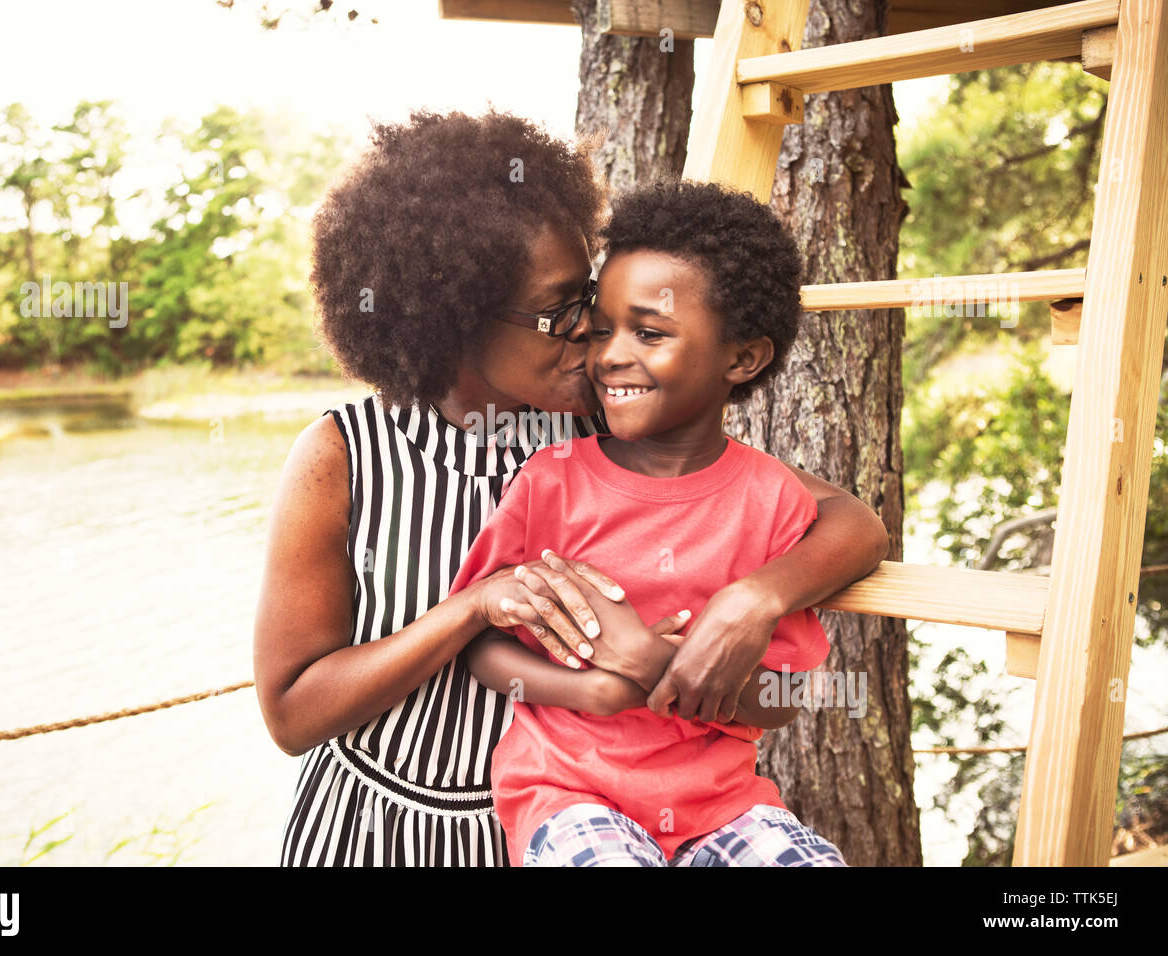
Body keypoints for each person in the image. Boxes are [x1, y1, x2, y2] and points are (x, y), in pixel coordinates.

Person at [253, 110, 889, 866]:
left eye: (586, 298)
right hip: (376, 830)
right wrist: (471, 608)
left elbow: (851, 524)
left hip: (560, 826)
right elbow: (292, 713)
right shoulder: (342, 456)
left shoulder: (603, 427)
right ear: (455, 316)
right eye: (561, 311)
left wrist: (758, 599)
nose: (591, 333)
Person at [450, 179, 850, 866]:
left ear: (742, 358)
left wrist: (650, 662)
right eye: (602, 327)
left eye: (650, 332)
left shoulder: (774, 501)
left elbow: (782, 701)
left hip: (725, 808)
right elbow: (480, 646)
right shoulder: (552, 482)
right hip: (568, 792)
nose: (607, 354)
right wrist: (593, 691)